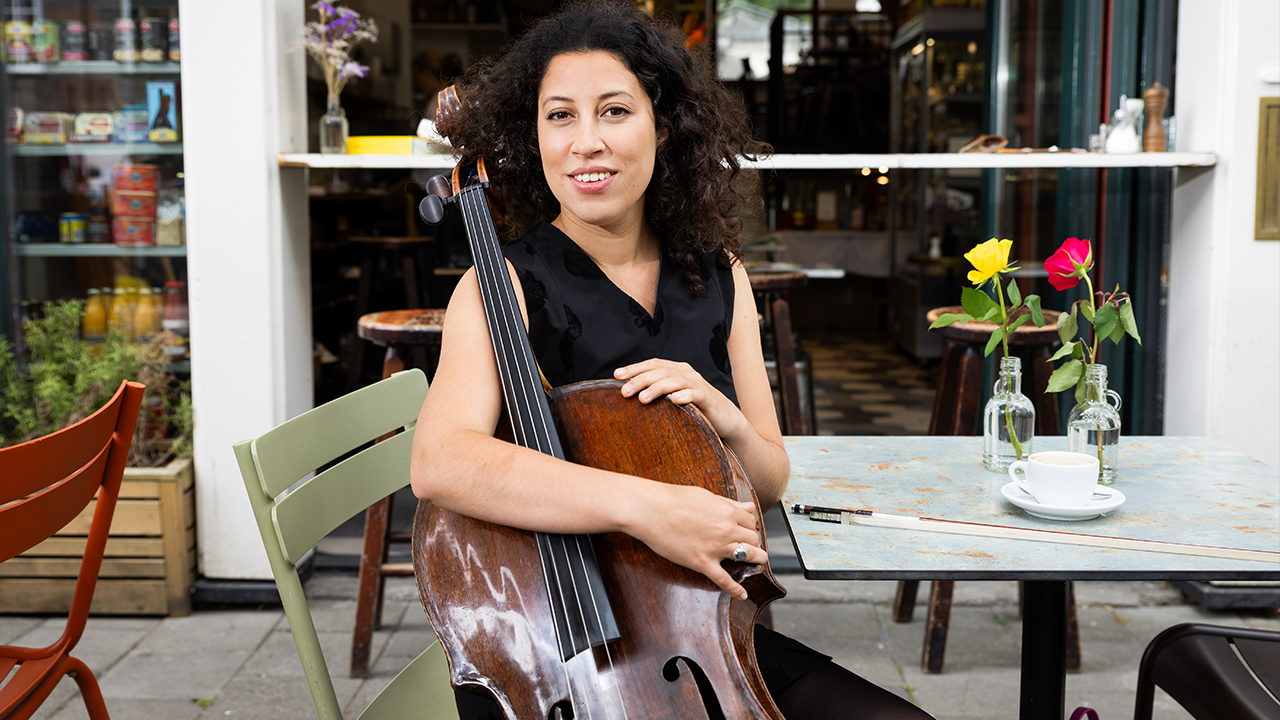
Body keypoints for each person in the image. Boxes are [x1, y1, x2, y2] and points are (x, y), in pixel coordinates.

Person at [409, 3, 934, 719]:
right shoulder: (502, 285)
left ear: (664, 125)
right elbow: (440, 462)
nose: (585, 143)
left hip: (699, 636)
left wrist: (728, 422)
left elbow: (773, 477)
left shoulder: (717, 275)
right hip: (555, 651)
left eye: (615, 111)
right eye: (559, 116)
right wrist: (650, 509)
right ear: (533, 137)